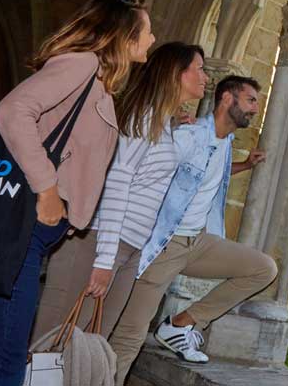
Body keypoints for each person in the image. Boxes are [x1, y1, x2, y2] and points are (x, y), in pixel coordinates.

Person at [0, 0, 154, 386]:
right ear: (124, 35)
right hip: (18, 233)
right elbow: (11, 111)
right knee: (1, 365)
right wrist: (48, 190)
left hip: (22, 235)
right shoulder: (82, 64)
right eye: (148, 31)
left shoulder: (98, 85)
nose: (153, 39)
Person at [32, 42, 209, 342]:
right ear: (176, 73)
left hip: (129, 248)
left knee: (87, 349)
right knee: (51, 346)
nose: (206, 77)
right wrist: (104, 259)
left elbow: (146, 175)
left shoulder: (161, 122)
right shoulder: (143, 117)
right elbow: (117, 182)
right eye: (200, 69)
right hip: (99, 243)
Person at [108, 75, 278, 386]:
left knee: (263, 268)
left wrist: (244, 165)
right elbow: (149, 166)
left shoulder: (225, 140)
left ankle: (180, 325)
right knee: (130, 335)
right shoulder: (189, 135)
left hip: (197, 242)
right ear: (227, 99)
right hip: (166, 244)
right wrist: (169, 129)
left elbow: (210, 172)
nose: (255, 108)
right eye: (251, 100)